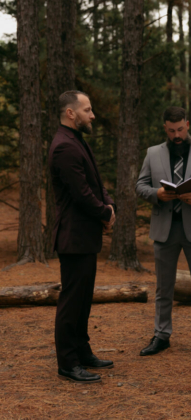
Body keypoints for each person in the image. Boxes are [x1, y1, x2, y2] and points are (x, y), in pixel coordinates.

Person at [136, 106, 191, 356]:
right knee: (164, 287)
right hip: (165, 230)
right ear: (165, 127)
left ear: (188, 125)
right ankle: (161, 335)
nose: (177, 135)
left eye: (181, 129)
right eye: (172, 130)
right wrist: (157, 194)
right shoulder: (153, 154)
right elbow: (140, 186)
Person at [49, 90, 116, 383]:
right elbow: (81, 194)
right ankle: (67, 362)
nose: (92, 115)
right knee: (72, 301)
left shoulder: (77, 141)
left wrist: (108, 206)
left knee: (83, 299)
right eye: (87, 110)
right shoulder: (64, 146)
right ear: (70, 113)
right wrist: (104, 213)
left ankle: (82, 350)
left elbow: (95, 184)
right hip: (74, 237)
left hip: (85, 235)